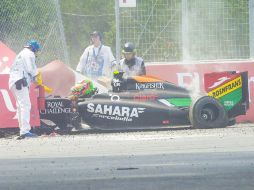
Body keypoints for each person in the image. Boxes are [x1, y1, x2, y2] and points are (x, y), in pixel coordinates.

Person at [9, 40, 41, 139]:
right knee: (25, 105)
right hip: (20, 81)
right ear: (34, 48)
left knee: (20, 106)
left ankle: (22, 130)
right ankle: (25, 131)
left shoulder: (21, 53)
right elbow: (30, 68)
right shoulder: (29, 53)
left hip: (14, 82)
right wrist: (37, 75)